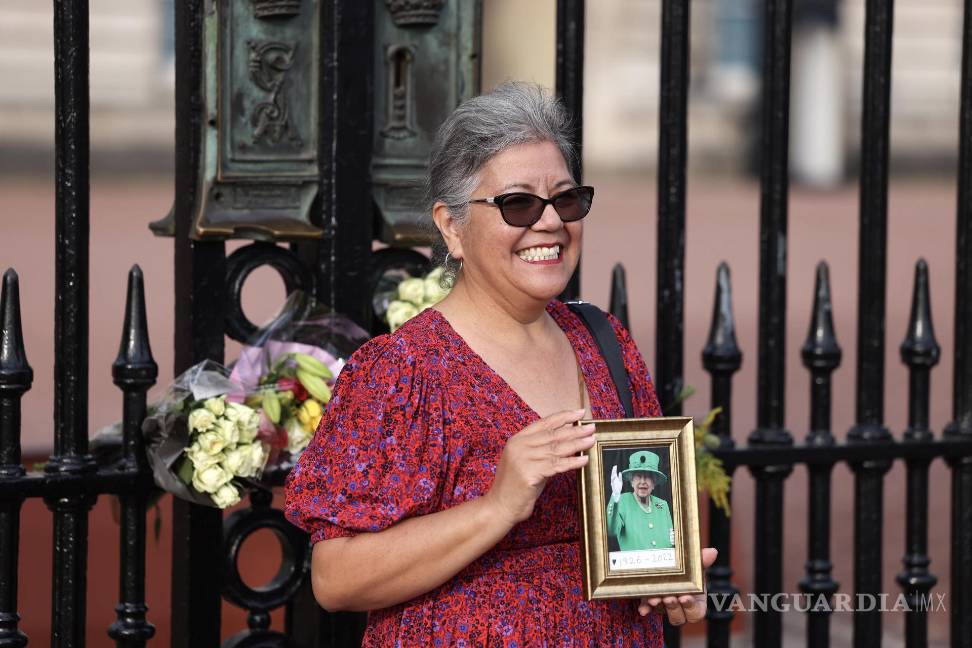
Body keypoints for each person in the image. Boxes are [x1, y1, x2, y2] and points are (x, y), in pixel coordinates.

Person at [285, 81, 715, 646]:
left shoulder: (603, 340)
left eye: (566, 199)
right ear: (451, 226)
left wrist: (669, 580)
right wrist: (498, 506)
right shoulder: (402, 371)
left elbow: (637, 532)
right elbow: (335, 579)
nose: (550, 223)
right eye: (518, 204)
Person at [607, 451, 675, 551]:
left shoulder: (662, 505)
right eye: (638, 476)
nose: (642, 481)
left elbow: (670, 544)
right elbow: (610, 530)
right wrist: (615, 497)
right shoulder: (622, 501)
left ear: (654, 483)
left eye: (647, 477)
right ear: (631, 482)